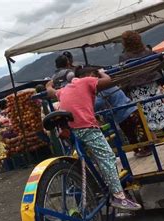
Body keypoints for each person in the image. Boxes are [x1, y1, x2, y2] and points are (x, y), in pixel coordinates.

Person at [46, 66, 142, 211]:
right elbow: (108, 81)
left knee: (90, 159)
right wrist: (102, 72)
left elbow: (50, 92)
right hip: (86, 127)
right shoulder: (87, 81)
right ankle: (119, 196)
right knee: (108, 157)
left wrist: (48, 85)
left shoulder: (65, 89)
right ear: (90, 75)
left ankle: (98, 187)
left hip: (70, 130)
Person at [119, 31, 164, 138]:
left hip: (136, 89)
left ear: (125, 43)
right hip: (152, 86)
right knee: (160, 110)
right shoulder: (148, 52)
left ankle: (154, 139)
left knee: (144, 115)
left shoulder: (124, 57)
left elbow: (124, 76)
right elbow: (163, 63)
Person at [95, 86, 152, 157]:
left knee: (134, 133)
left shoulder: (103, 91)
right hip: (130, 109)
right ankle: (143, 148)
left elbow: (97, 104)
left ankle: (144, 149)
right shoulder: (112, 86)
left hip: (124, 114)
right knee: (137, 132)